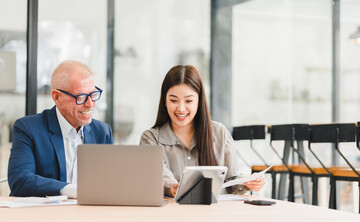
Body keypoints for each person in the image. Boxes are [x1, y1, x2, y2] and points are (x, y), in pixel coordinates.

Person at [140, 65, 265, 197]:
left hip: (216, 215)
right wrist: (174, 188)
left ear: (199, 101)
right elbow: (160, 176)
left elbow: (231, 182)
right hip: (172, 215)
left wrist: (247, 183)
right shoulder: (151, 138)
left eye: (188, 100)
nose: (181, 108)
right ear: (165, 100)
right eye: (173, 100)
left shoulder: (220, 133)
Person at [8, 60, 113, 198]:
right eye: (81, 97)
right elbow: (20, 181)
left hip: (89, 215)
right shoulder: (28, 128)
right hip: (45, 215)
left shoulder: (102, 132)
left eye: (93, 95)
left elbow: (111, 182)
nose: (90, 104)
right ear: (57, 97)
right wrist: (72, 191)